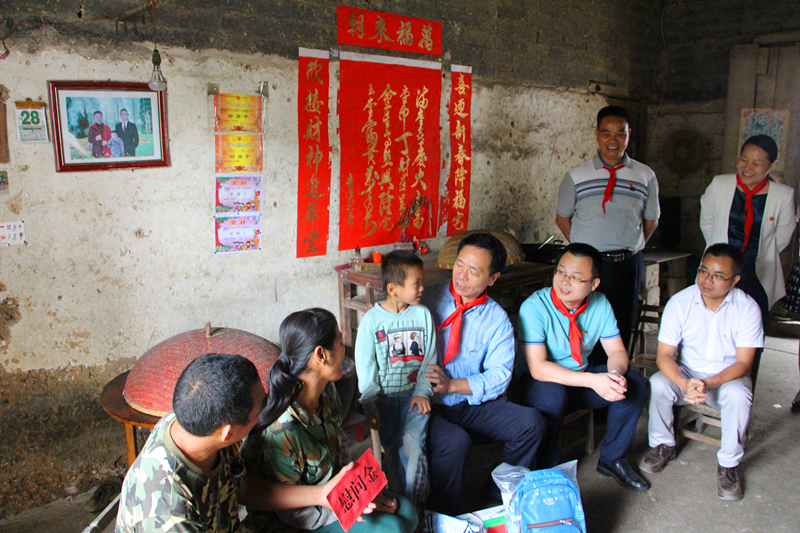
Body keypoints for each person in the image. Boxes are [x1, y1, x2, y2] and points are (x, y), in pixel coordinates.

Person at [116, 353, 360, 533]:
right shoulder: (169, 514)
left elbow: (245, 488)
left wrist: (322, 495)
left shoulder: (193, 425)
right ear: (229, 433)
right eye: (259, 410)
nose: (267, 411)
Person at [241, 308, 417, 533]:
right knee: (391, 528)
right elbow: (293, 514)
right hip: (294, 522)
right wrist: (347, 507)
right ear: (321, 355)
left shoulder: (327, 391)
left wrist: (361, 493)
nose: (345, 350)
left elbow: (339, 452)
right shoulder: (284, 428)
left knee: (407, 513)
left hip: (332, 498)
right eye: (340, 342)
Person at [421, 232, 545, 513]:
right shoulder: (427, 299)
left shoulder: (496, 319)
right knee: (454, 442)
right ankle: (444, 513)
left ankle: (495, 495)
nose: (462, 276)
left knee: (531, 424)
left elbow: (500, 375)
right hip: (427, 403)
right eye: (459, 264)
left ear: (492, 278)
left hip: (468, 402)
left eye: (474, 271)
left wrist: (453, 385)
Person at [517, 243, 649, 491]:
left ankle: (612, 459)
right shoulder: (534, 307)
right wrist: (593, 381)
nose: (565, 281)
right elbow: (538, 369)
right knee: (552, 397)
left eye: (576, 277)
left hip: (579, 379)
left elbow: (617, 351)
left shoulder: (600, 304)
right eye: (561, 272)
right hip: (539, 384)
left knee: (633, 384)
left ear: (593, 284)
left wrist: (614, 375)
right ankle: (549, 470)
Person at [640, 244, 763, 501]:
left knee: (739, 394)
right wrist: (685, 383)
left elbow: (743, 363)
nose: (707, 280)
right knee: (659, 382)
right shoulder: (680, 302)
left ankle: (729, 465)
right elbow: (664, 355)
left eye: (718, 276)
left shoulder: (747, 308)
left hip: (726, 377)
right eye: (704, 271)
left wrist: (710, 382)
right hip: (688, 374)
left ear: (735, 280)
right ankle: (663, 445)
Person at [555, 105, 660, 356]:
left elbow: (651, 220)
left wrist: (633, 245)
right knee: (584, 325)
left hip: (627, 264)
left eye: (620, 133)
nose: (613, 140)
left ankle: (615, 377)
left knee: (622, 326)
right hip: (588, 267)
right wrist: (584, 251)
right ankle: (583, 375)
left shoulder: (645, 175)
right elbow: (562, 218)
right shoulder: (576, 176)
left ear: (629, 135)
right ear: (597, 135)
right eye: (606, 133)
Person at [354, 251, 437, 508]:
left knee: (414, 445)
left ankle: (417, 506)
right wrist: (370, 405)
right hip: (384, 401)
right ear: (393, 288)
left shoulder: (423, 315)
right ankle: (397, 505)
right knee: (390, 451)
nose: (422, 288)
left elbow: (430, 359)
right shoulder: (372, 321)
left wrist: (423, 391)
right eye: (416, 283)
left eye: (422, 281)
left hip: (415, 398)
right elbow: (366, 366)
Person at [700, 134, 796, 326]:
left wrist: (761, 253)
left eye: (756, 163)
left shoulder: (783, 195)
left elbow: (783, 236)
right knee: (716, 324)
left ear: (771, 165)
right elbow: (707, 223)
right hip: (720, 271)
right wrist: (721, 253)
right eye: (744, 160)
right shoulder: (720, 185)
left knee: (754, 325)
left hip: (757, 272)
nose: (747, 167)